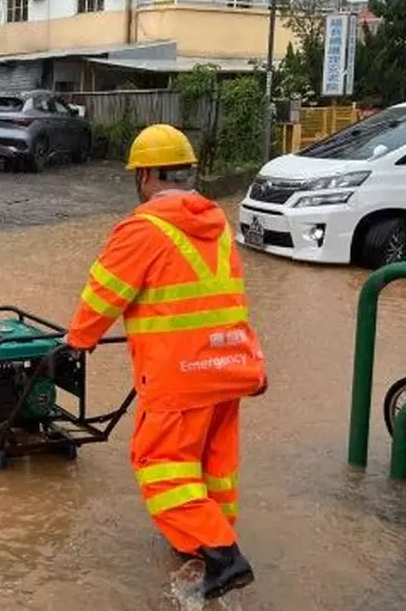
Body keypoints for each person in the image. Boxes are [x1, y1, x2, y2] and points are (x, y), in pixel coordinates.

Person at [62, 123, 267, 600]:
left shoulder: (143, 228)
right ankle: (206, 541)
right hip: (231, 367)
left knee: (159, 463)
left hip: (181, 378)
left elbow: (104, 295)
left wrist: (78, 341)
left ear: (146, 175)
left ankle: (221, 554)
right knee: (214, 466)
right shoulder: (215, 222)